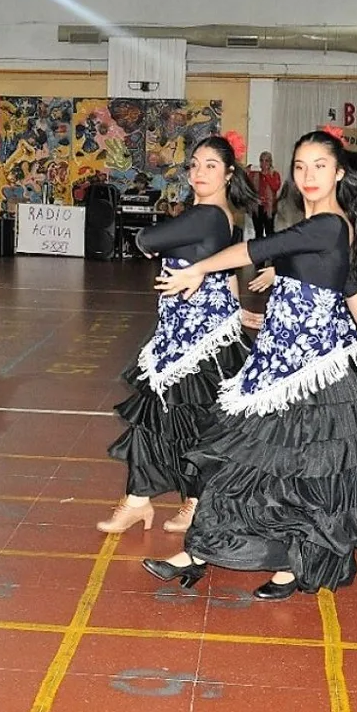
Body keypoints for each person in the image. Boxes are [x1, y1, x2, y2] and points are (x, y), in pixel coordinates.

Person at [144, 130, 357, 599]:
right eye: (300, 166)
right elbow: (348, 285)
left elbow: (255, 250)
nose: (308, 176)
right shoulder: (324, 225)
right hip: (275, 364)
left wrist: (200, 267)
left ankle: (293, 565)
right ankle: (201, 552)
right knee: (243, 460)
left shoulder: (329, 223)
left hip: (311, 373)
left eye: (319, 166)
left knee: (297, 472)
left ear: (339, 173)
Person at [98, 132, 257, 536]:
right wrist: (237, 310)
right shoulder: (221, 219)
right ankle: (138, 501)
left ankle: (196, 500)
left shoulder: (206, 215)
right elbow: (226, 270)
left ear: (228, 174)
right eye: (196, 165)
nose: (200, 172)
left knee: (198, 420)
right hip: (179, 332)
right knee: (161, 415)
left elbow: (144, 239)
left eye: (211, 166)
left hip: (202, 341)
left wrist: (154, 237)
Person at [249, 150, 280, 239]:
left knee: (269, 231)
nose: (264, 163)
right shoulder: (255, 174)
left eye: (266, 160)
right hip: (257, 206)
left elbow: (275, 186)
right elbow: (248, 186)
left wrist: (267, 175)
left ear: (270, 162)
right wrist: (247, 171)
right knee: (258, 232)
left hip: (269, 207)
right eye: (261, 160)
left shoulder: (274, 174)